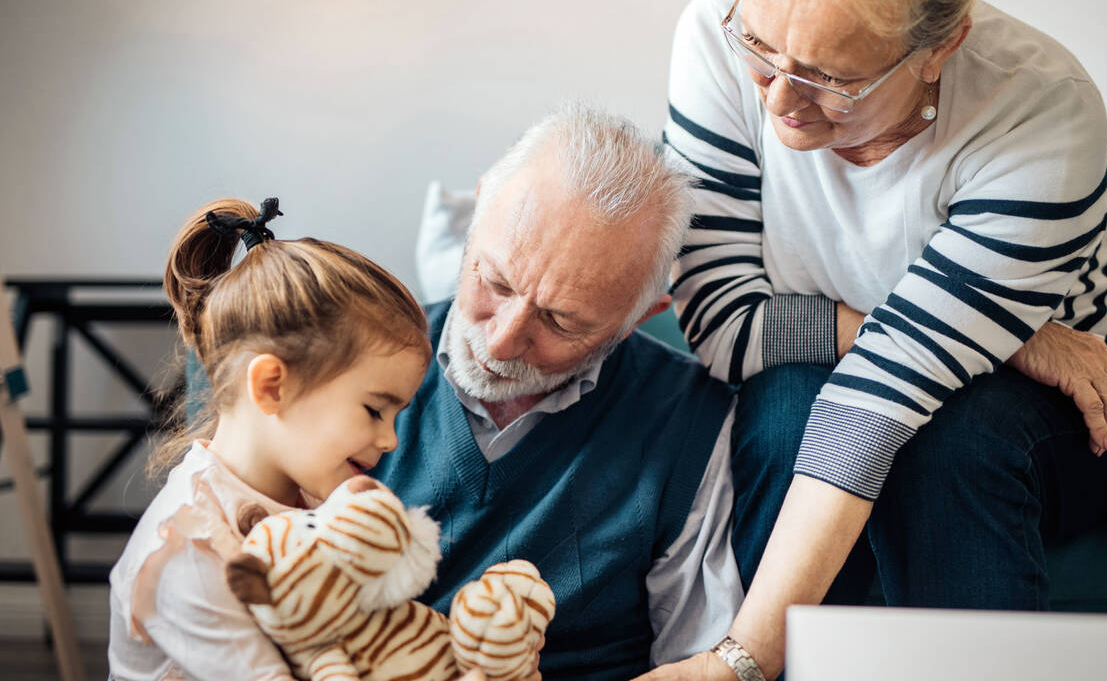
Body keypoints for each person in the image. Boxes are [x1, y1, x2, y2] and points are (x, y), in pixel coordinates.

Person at [641, 0, 1107, 679]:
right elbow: (726, 326)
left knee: (953, 436)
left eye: (833, 77)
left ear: (941, 46)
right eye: (760, 45)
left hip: (1075, 419)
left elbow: (878, 401)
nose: (776, 96)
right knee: (786, 402)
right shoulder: (714, 37)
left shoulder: (1041, 117)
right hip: (859, 372)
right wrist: (1007, 334)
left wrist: (736, 662)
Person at [371, 103, 744, 681]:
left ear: (641, 317)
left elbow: (701, 661)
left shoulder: (694, 425)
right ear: (477, 219)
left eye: (561, 322)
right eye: (493, 281)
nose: (500, 342)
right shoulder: (354, 358)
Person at [108, 198, 497, 680]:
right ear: (272, 386)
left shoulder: (316, 502)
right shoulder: (187, 551)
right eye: (375, 410)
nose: (391, 441)